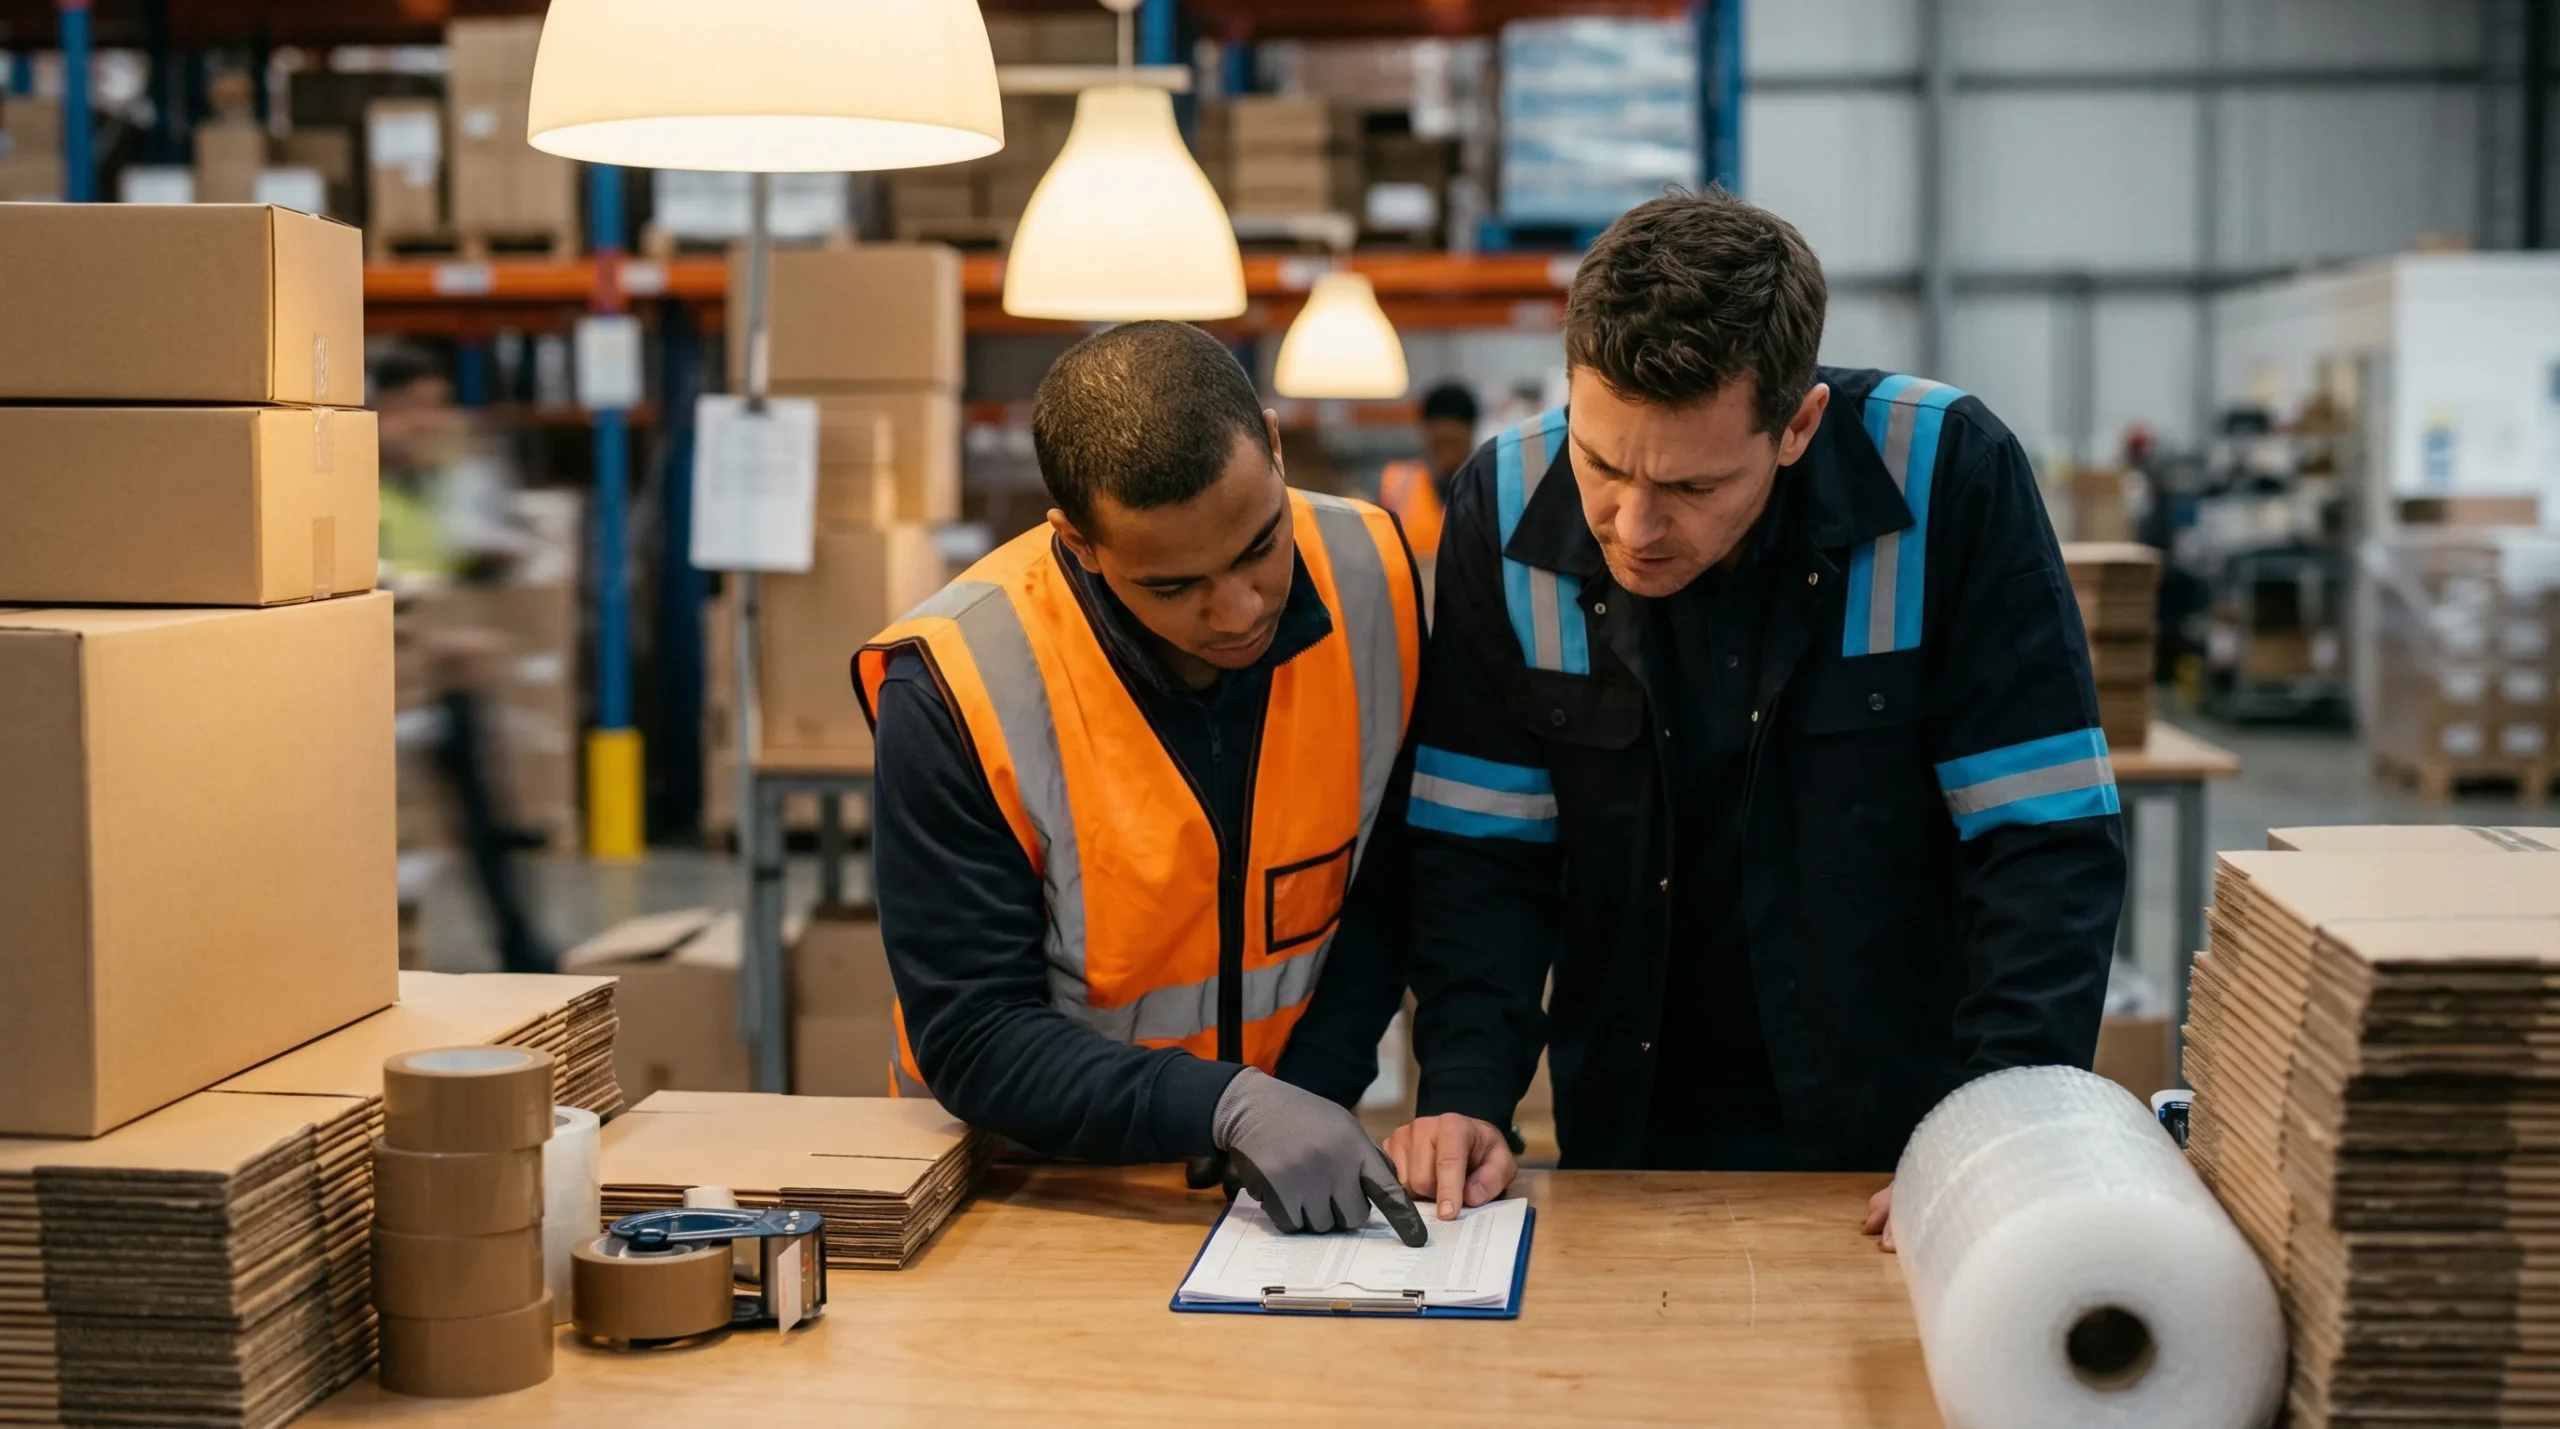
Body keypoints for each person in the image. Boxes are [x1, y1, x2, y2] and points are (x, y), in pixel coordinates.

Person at [1384, 193, 2125, 1247]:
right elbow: (1478, 855)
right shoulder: (1501, 512)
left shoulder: (1945, 479)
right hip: (1628, 1134)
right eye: (1601, 464)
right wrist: (1464, 1089)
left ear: (1798, 425)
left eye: (1691, 484)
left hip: (1901, 1149)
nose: (1633, 529)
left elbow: (2041, 841)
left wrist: (1994, 1137)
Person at [855, 321, 1430, 1244]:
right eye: (1173, 587)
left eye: (1257, 547)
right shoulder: (958, 686)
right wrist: (1226, 1105)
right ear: (1079, 544)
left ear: (1276, 447)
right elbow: (974, 1031)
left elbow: (1383, 886)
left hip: (1278, 1190)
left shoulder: (1375, 579)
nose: (1238, 610)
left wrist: (1306, 1095)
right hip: (1036, 1199)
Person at [374, 346, 555, 975]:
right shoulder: (350, 476)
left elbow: (467, 542)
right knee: (390, 840)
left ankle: (522, 952)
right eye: (421, 407)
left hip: (442, 678)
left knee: (484, 821)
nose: (435, 420)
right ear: (384, 408)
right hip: (378, 687)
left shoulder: (435, 469)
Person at [1376, 382, 1481, 565]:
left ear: (1471, 434)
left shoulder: (1487, 486)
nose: (1447, 454)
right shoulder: (1397, 482)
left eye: (1454, 443)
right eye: (1440, 443)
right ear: (1425, 433)